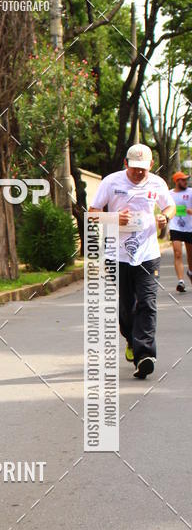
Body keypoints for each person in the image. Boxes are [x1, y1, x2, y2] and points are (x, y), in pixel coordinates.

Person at [90, 143, 175, 379]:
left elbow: (170, 206)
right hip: (117, 255)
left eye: (143, 169)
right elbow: (93, 211)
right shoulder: (111, 182)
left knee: (147, 303)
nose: (138, 173)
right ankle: (130, 338)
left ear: (150, 166)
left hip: (148, 254)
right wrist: (114, 217)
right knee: (127, 308)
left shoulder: (157, 183)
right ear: (126, 164)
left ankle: (145, 356)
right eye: (134, 167)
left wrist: (164, 217)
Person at [168, 171, 192, 292]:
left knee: (190, 256)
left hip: (190, 227)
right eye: (183, 180)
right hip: (175, 226)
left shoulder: (191, 192)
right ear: (177, 181)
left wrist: (190, 211)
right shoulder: (169, 194)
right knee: (177, 253)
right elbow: (165, 208)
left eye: (186, 180)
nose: (185, 182)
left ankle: (190, 272)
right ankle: (181, 281)